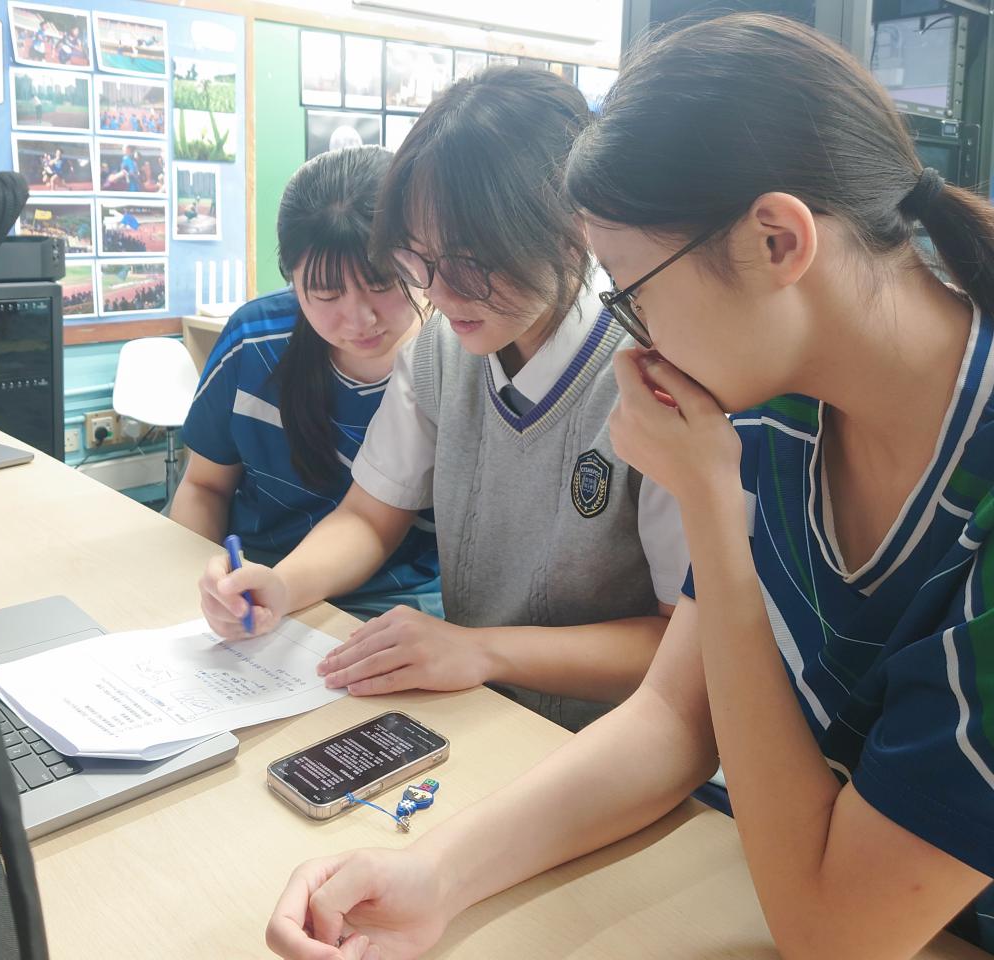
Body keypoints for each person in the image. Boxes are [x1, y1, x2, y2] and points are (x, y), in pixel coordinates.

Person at [264, 14, 994, 959]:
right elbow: (674, 717)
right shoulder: (780, 401)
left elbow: (835, 934)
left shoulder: (763, 414)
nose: (630, 338)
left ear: (778, 242)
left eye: (632, 290)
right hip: (767, 871)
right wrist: (435, 876)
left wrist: (711, 515)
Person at [200, 67, 687, 730]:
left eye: (469, 264)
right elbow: (370, 516)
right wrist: (282, 585)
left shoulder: (652, 375)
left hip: (604, 737)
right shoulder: (441, 350)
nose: (439, 294)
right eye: (414, 262)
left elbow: (682, 644)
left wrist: (481, 650)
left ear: (574, 229)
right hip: (470, 707)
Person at [170, 146, 442, 620]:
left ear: (422, 257)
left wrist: (277, 590)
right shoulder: (254, 342)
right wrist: (207, 590)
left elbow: (369, 523)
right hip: (255, 580)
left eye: (382, 283)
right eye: (326, 293)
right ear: (291, 281)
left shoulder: (450, 360)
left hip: (394, 606)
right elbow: (204, 486)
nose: (360, 319)